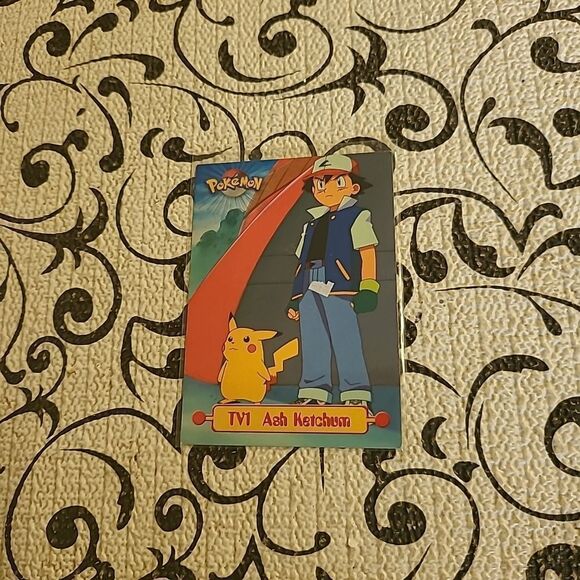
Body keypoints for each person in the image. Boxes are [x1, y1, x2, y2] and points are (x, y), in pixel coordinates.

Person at [287, 154, 380, 407]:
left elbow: (367, 252)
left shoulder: (358, 216)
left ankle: (356, 393)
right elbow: (301, 262)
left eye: (336, 182)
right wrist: (295, 298)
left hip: (340, 286)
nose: (325, 189)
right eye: (319, 184)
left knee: (345, 337)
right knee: (313, 338)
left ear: (354, 187)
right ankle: (314, 392)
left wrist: (368, 288)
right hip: (310, 285)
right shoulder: (310, 224)